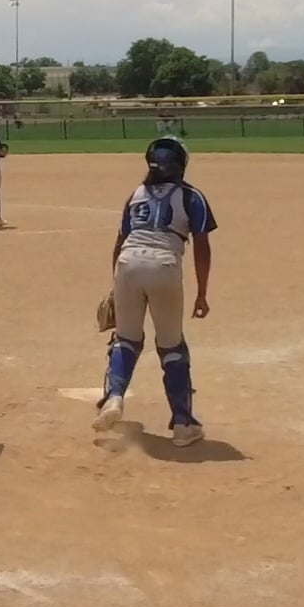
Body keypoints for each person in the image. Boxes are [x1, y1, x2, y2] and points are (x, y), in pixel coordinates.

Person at [93, 137, 216, 448]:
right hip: (163, 266)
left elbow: (120, 242)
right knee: (172, 346)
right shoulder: (191, 196)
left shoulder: (136, 195)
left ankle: (114, 397)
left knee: (126, 339)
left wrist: (116, 286)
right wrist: (202, 293)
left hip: (127, 264)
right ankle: (183, 424)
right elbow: (202, 247)